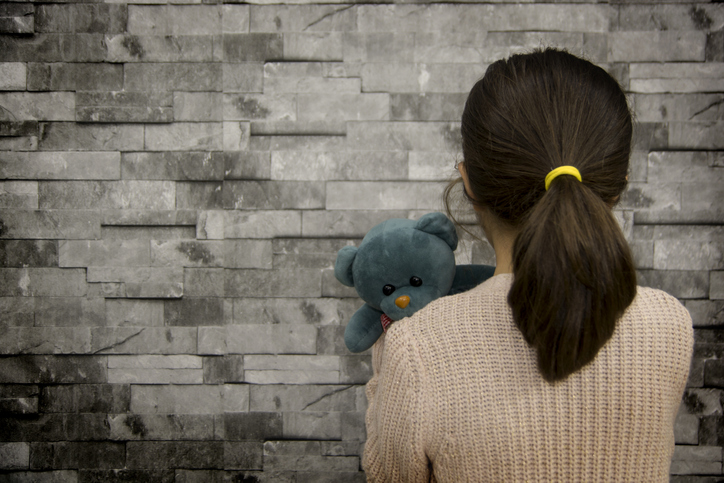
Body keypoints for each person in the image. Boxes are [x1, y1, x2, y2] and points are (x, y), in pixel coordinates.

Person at [362, 48, 693, 482]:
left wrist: (385, 378)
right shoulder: (669, 326)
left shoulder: (416, 346)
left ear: (468, 183)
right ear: (616, 189)